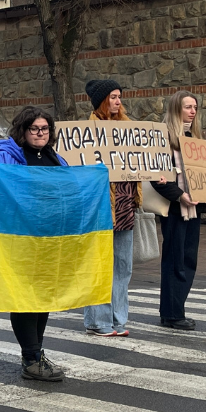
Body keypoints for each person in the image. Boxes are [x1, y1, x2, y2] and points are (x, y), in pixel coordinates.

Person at [0, 106, 67, 381]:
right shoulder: (7, 155)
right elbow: (0, 184)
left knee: (42, 296)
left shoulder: (54, 157)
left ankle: (36, 353)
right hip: (20, 239)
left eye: (45, 129)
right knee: (24, 297)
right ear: (22, 130)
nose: (40, 133)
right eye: (34, 128)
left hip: (49, 239)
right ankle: (30, 357)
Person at [79, 80, 139, 337]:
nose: (117, 101)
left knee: (123, 266)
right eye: (113, 97)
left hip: (125, 205)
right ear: (102, 101)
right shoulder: (86, 132)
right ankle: (98, 321)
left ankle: (118, 319)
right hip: (100, 206)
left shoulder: (129, 128)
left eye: (119, 96)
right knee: (100, 264)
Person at [151, 91, 204, 330]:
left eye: (195, 107)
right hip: (175, 207)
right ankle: (172, 313)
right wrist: (180, 195)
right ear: (175, 109)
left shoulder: (193, 138)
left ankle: (175, 309)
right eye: (187, 107)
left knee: (188, 258)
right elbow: (155, 176)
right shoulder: (162, 138)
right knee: (175, 259)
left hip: (193, 207)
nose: (193, 111)